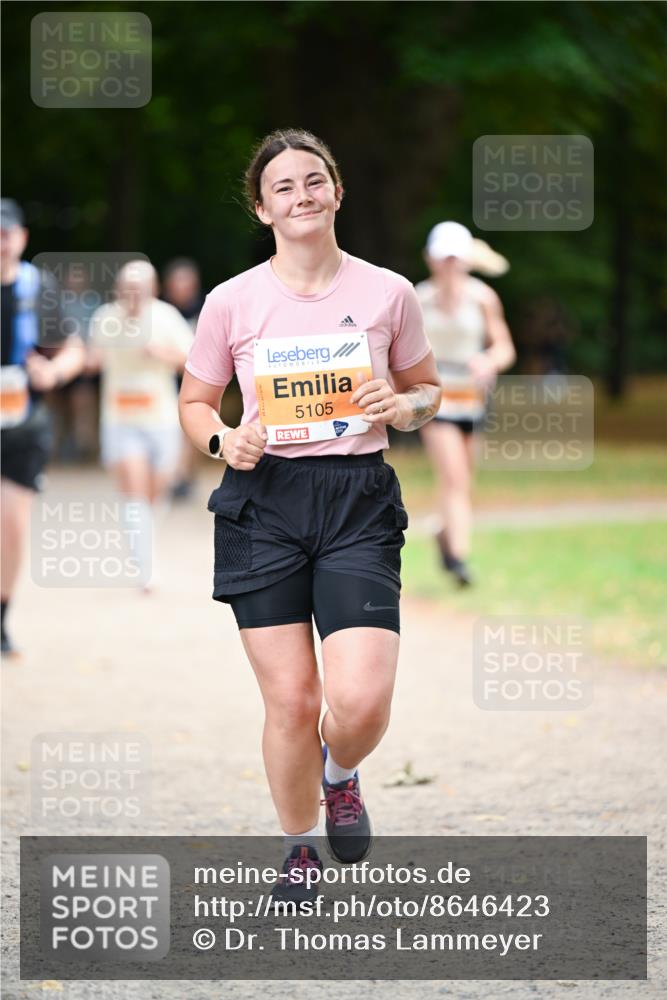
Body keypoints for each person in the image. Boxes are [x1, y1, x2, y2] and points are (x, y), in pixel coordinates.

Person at [179, 129, 441, 903]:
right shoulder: (231, 301)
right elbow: (195, 403)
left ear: (337, 191)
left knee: (358, 704)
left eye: (313, 180)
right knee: (292, 700)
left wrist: (405, 406)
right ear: (263, 209)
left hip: (357, 499)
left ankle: (341, 771)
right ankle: (298, 848)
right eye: (283, 187)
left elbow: (429, 391)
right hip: (263, 504)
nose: (302, 195)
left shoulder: (388, 292)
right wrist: (224, 439)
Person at [1, 199, 84, 655]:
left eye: (5, 234)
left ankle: (1, 618)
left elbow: (73, 350)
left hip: (22, 425)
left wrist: (52, 373)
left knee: (11, 527)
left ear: (21, 238)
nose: (0, 243)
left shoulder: (39, 289)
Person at [416, 222, 516, 586]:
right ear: (430, 259)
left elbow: (505, 347)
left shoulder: (483, 298)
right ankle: (459, 559)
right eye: (443, 258)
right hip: (435, 398)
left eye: (455, 258)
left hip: (473, 398)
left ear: (466, 260)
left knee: (463, 481)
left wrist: (489, 360)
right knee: (453, 476)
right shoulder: (418, 298)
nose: (449, 266)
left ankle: (443, 531)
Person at [87, 260, 194, 589]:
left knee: (156, 492)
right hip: (120, 419)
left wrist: (162, 353)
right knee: (134, 488)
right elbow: (92, 360)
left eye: (139, 289)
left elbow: (192, 361)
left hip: (161, 418)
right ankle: (145, 567)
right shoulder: (105, 318)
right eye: (126, 289)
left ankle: (142, 540)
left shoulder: (166, 317)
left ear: (153, 290)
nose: (132, 296)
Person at [161, 258, 204, 500]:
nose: (182, 288)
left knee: (191, 427)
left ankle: (185, 476)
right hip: (165, 380)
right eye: (177, 282)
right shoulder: (161, 310)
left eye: (186, 282)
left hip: (195, 378)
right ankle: (172, 476)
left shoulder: (205, 308)